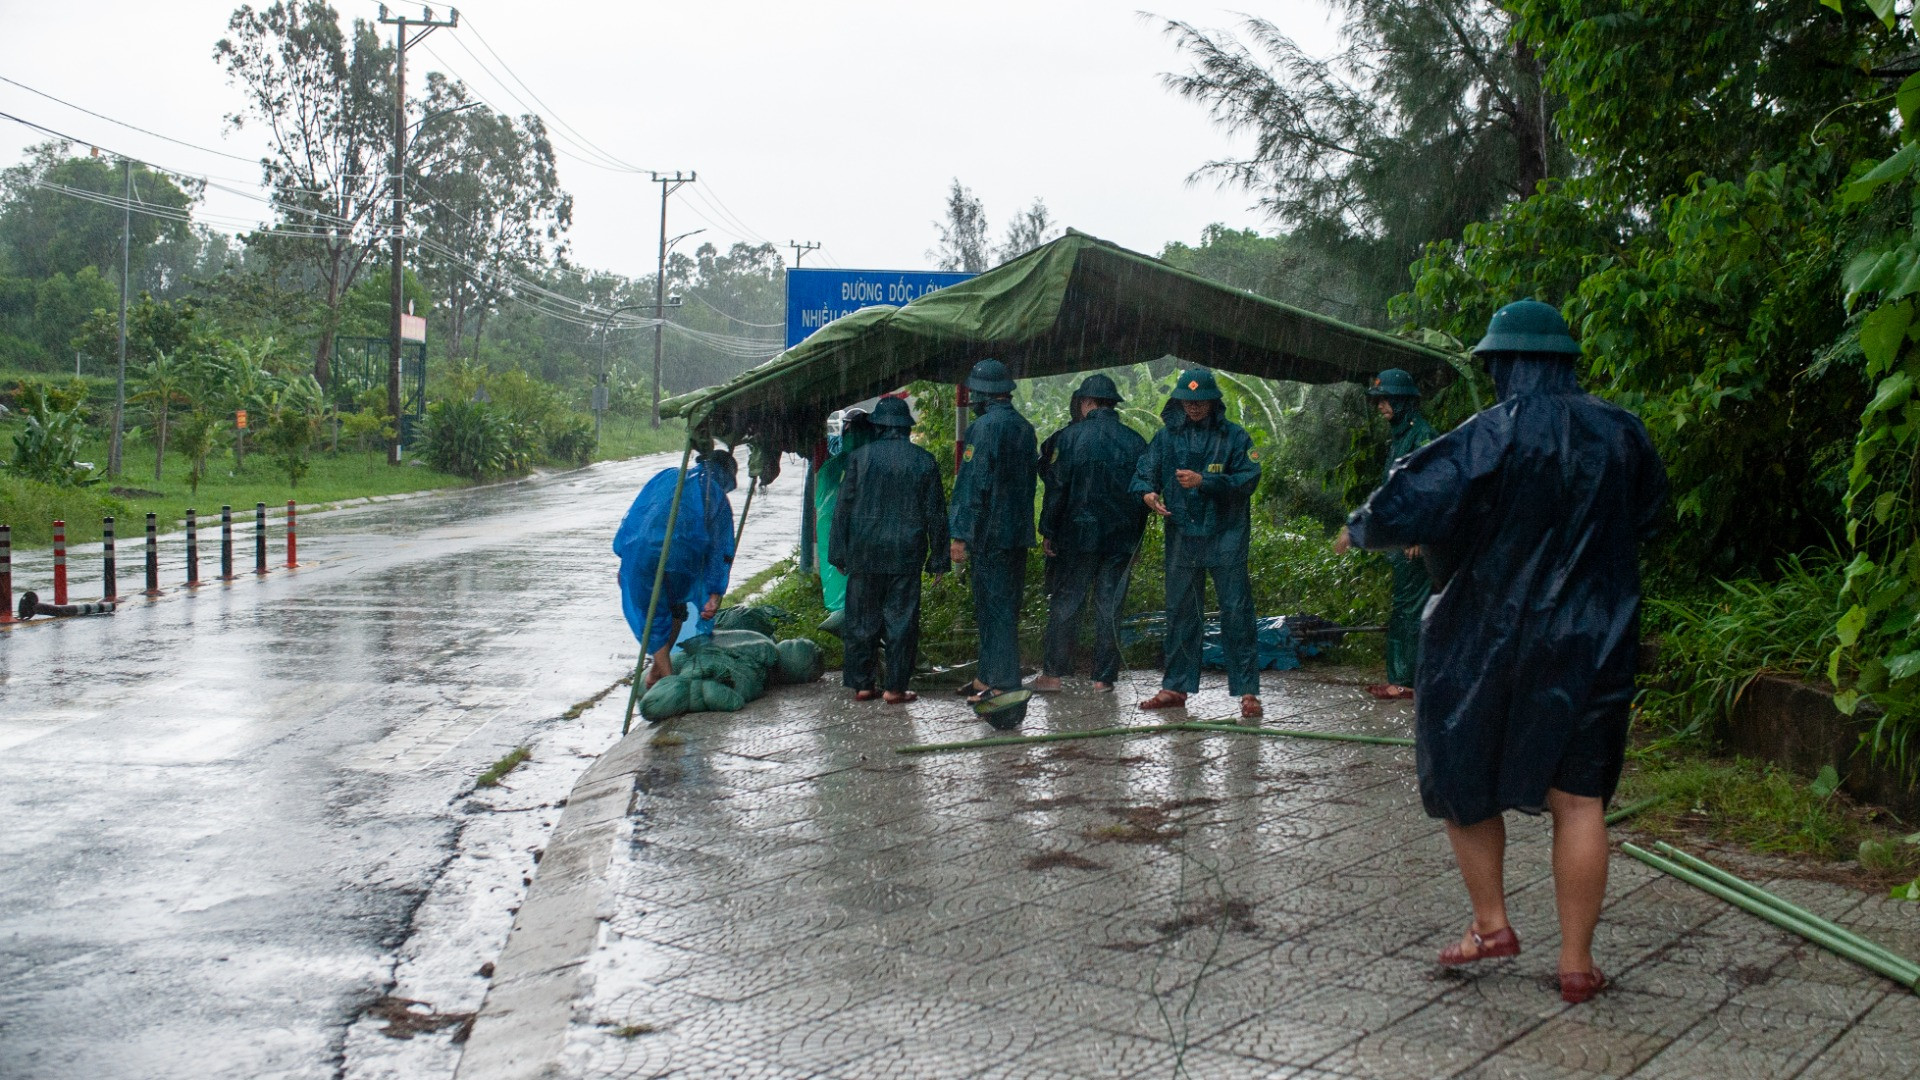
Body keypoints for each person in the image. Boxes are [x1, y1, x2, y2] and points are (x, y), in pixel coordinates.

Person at [1335, 300, 1667, 1004]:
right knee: (1580, 802)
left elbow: (1400, 506)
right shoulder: (1622, 433)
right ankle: (1577, 964)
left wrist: (1361, 529)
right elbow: (1651, 518)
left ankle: (1491, 925)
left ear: (1501, 364)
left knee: (1463, 772)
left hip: (1484, 637)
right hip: (1594, 637)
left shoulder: (1485, 435)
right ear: (1566, 361)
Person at [1130, 367, 1264, 720]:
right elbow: (1145, 470)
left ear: (1213, 401)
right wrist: (1147, 492)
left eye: (1200, 401)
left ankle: (1248, 691)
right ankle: (1175, 687)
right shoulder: (1166, 438)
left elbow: (1248, 479)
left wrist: (1205, 482)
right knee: (1180, 613)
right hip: (1182, 537)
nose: (1193, 407)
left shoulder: (1234, 437)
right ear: (1178, 401)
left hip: (1227, 537)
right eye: (1187, 401)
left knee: (1236, 612)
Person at [1030, 374, 1148, 693]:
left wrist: (1048, 530)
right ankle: (1103, 679)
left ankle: (1054, 674)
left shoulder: (1068, 438)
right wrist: (1135, 541)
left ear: (1086, 403)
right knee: (1109, 606)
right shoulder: (1136, 441)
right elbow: (1145, 494)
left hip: (1076, 537)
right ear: (1112, 404)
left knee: (1067, 602)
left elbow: (1056, 489)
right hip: (1121, 539)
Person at [828, 396, 950, 704]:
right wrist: (938, 560)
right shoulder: (924, 461)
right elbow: (936, 513)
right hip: (905, 555)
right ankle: (895, 688)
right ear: (906, 428)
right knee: (901, 622)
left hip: (864, 553)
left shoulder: (859, 458)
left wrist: (838, 553)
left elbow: (843, 508)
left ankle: (862, 685)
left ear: (879, 427)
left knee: (861, 621)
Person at [949, 358, 1038, 705]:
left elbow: (972, 484)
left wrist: (960, 534)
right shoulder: (1023, 427)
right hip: (1016, 532)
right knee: (1003, 606)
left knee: (993, 609)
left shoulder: (984, 428)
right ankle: (985, 676)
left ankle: (1002, 683)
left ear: (983, 394)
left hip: (990, 534)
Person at [612, 448, 737, 688]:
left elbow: (636, 516)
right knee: (669, 611)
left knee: (662, 613)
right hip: (676, 559)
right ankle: (669, 682)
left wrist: (624, 559)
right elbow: (721, 549)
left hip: (639, 553)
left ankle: (657, 675)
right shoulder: (715, 496)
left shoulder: (669, 476)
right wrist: (714, 591)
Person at [1364, 368, 1438, 700]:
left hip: (1415, 540)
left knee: (1411, 609)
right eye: (1378, 401)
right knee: (1404, 606)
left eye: (1386, 400)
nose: (1380, 407)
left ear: (1403, 401)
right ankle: (1403, 676)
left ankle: (1407, 681)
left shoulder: (1421, 436)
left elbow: (1431, 490)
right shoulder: (1400, 438)